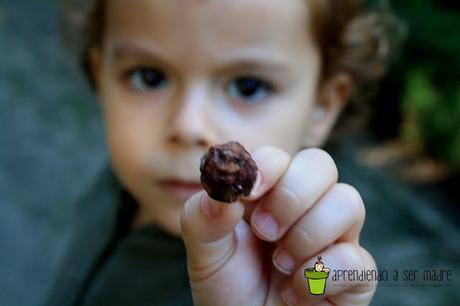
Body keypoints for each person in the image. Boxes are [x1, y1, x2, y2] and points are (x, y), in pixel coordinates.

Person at [46, 0, 400, 305]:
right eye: (148, 77)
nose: (189, 126)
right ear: (100, 75)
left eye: (248, 87)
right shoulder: (117, 186)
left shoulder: (285, 272)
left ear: (321, 106)